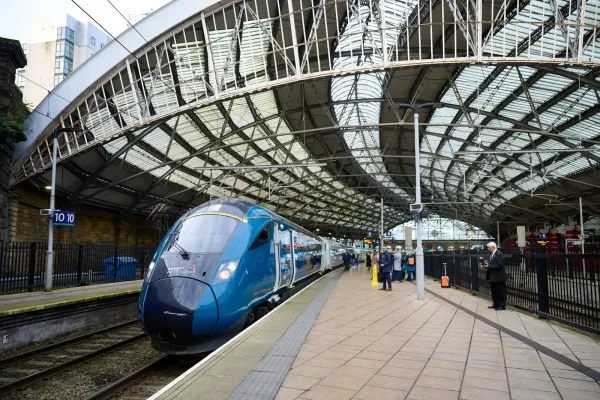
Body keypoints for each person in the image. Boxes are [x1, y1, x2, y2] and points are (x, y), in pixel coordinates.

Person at [483, 242, 507, 310]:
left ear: (493, 247)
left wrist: (489, 266)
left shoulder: (499, 254)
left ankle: (502, 305)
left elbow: (500, 265)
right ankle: (496, 304)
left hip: (499, 277)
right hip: (493, 277)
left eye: (489, 247)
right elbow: (493, 263)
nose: (488, 249)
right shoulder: (492, 254)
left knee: (500, 291)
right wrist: (487, 265)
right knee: (494, 291)